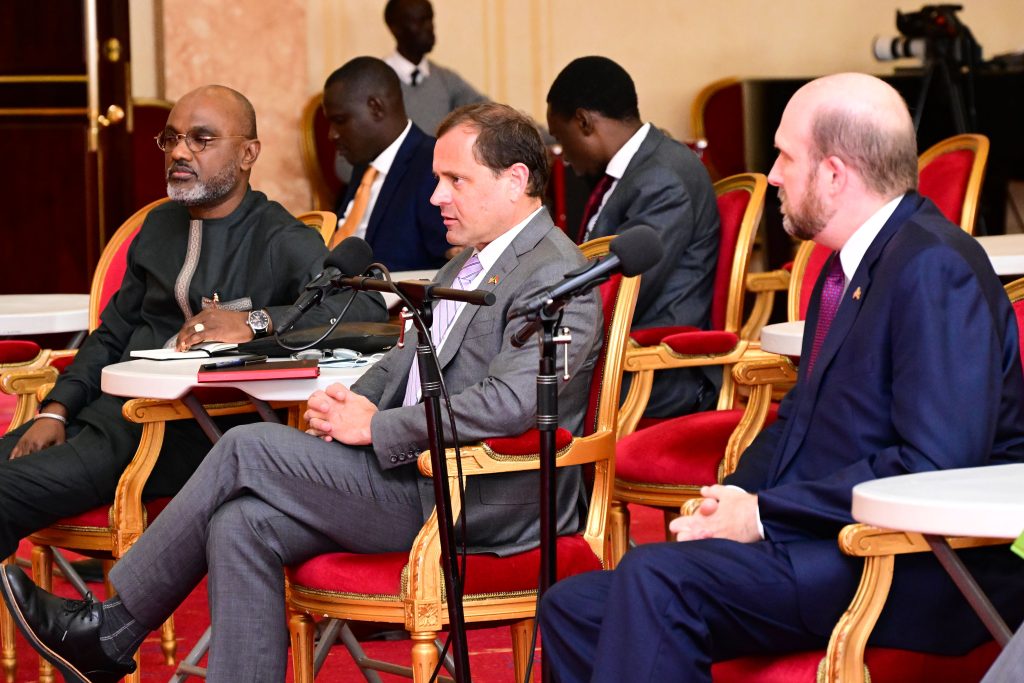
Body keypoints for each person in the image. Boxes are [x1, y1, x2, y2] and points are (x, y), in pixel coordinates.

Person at [0, 103, 601, 683]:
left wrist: (378, 427)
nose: (435, 196)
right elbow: (403, 358)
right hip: (416, 474)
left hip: (481, 492)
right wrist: (356, 401)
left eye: (454, 180)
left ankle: (111, 629)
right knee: (240, 522)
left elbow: (512, 401)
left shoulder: (554, 274)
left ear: (516, 179)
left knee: (247, 447)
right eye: (438, 179)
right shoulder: (468, 261)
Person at [538, 73, 1024, 682]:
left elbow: (932, 467)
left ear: (835, 173)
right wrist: (732, 500)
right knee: (572, 608)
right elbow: (798, 422)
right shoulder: (848, 265)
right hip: (820, 542)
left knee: (655, 579)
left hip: (904, 565)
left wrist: (765, 515)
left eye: (786, 156)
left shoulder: (934, 268)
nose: (771, 174)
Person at [0, 85, 387, 563]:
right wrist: (56, 410)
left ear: (248, 153)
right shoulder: (160, 227)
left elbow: (361, 310)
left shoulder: (278, 235)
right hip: (99, 416)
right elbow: (112, 333)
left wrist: (256, 322)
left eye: (201, 139)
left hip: (182, 433)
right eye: (172, 139)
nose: (180, 152)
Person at [546, 56, 721, 418]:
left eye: (563, 140)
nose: (564, 159)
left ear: (584, 122)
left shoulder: (663, 178)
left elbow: (621, 292)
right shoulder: (635, 171)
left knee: (519, 400)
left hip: (653, 370)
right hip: (616, 354)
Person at [326, 56, 452, 270]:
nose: (332, 135)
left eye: (340, 121)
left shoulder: (433, 165)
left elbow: (451, 262)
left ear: (375, 108)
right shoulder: (364, 166)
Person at [383, 0, 488, 136]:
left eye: (430, 19)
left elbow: (488, 113)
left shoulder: (446, 80)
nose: (429, 27)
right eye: (420, 21)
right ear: (395, 28)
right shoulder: (375, 81)